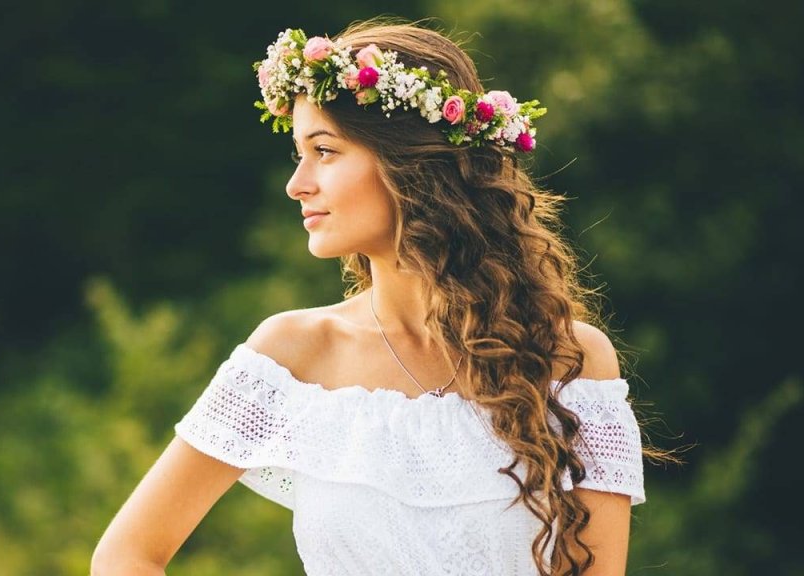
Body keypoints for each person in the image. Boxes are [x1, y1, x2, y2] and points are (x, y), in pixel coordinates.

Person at [92, 18, 649, 576]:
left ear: (411, 164)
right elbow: (125, 556)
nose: (297, 184)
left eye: (325, 150)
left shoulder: (569, 360)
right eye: (298, 154)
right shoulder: (291, 354)